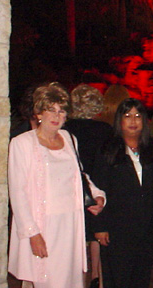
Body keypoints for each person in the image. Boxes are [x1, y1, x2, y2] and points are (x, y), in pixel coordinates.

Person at [8, 82, 106, 288]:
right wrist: (33, 233)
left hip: (70, 223)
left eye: (61, 111)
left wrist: (98, 195)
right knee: (47, 280)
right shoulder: (22, 143)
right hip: (43, 226)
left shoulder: (69, 139)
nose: (56, 115)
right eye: (51, 109)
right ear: (39, 113)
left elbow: (79, 175)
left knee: (70, 281)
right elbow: (17, 193)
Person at [93, 98, 153, 288]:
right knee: (118, 279)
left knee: (142, 278)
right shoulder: (108, 150)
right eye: (127, 116)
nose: (133, 121)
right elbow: (98, 188)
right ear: (119, 120)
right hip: (117, 228)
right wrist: (100, 226)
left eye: (137, 116)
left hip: (146, 228)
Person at [63, 84, 114, 288]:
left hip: (72, 188)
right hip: (99, 187)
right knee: (97, 233)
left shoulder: (65, 129)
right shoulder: (106, 130)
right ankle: (95, 276)